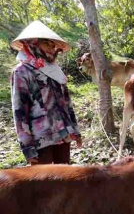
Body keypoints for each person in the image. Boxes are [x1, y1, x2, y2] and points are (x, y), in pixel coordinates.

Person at [10, 20, 82, 165]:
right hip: (41, 140)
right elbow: (19, 113)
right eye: (46, 43)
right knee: (46, 184)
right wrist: (28, 148)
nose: (52, 48)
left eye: (52, 44)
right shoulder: (21, 72)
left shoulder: (55, 70)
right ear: (32, 43)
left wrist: (75, 130)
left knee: (64, 179)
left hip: (63, 134)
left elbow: (67, 104)